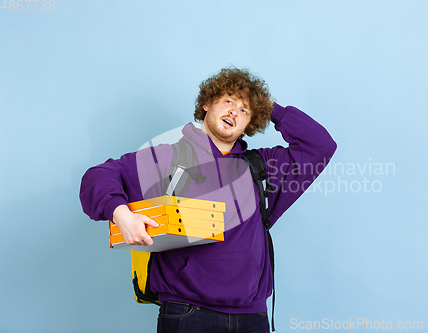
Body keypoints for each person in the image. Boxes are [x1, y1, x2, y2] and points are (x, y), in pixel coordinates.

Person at [80, 67, 337, 333]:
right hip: (187, 312)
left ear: (249, 124)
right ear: (206, 104)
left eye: (245, 110)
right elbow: (98, 176)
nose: (234, 112)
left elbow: (320, 146)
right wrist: (121, 214)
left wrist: (267, 105)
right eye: (228, 101)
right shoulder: (168, 158)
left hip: (252, 315)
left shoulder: (265, 167)